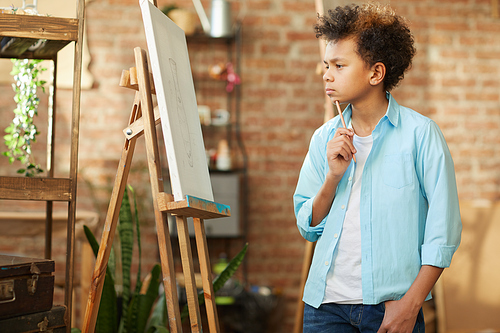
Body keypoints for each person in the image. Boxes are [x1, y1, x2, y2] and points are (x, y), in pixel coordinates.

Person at [293, 3, 462, 332]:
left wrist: (411, 304)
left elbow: (444, 231)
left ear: (375, 73)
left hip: (391, 309)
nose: (327, 74)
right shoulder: (323, 138)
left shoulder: (420, 135)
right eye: (327, 64)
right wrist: (332, 177)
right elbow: (308, 226)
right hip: (324, 308)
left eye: (339, 65)